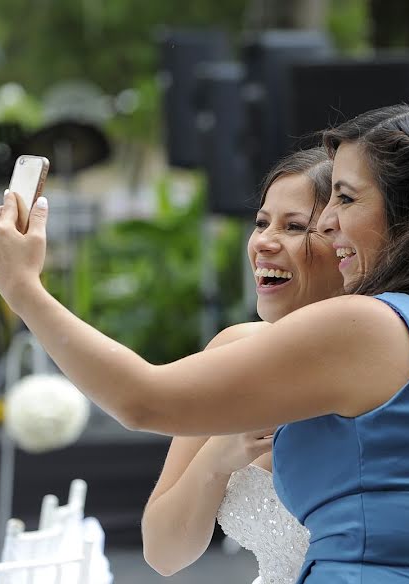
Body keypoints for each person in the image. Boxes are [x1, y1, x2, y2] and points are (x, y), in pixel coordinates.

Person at [0, 99, 409, 583]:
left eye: (345, 198)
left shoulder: (368, 325)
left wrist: (23, 288)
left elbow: (142, 400)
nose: (329, 220)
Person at [140, 148, 341, 582]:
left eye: (294, 226)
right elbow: (163, 553)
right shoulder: (235, 351)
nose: (264, 242)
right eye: (262, 222)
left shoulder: (386, 361)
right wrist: (218, 456)